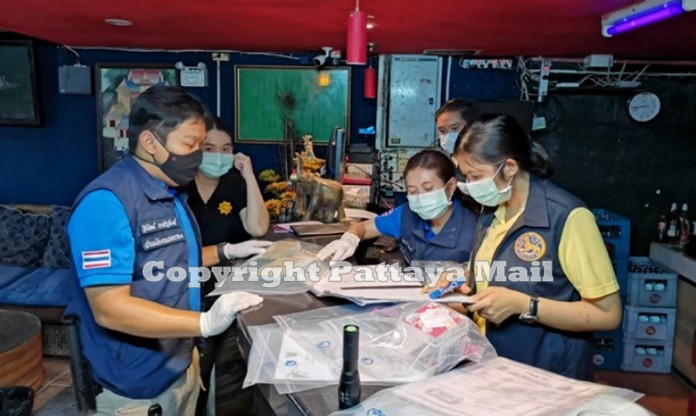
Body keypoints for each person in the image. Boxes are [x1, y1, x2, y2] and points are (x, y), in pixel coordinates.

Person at [65, 86, 264, 415]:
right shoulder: (106, 203)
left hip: (181, 364)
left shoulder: (171, 194)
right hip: (134, 387)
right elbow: (109, 308)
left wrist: (229, 250)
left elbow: (179, 260)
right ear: (149, 143)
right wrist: (204, 322)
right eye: (189, 145)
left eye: (200, 146)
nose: (198, 156)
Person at [449, 114, 621, 380]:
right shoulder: (492, 212)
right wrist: (460, 293)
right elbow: (496, 283)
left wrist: (525, 305)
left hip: (548, 373)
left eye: (476, 176)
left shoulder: (566, 217)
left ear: (509, 167)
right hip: (495, 366)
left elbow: (607, 314)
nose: (471, 186)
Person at [184, 115, 271, 415]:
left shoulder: (235, 184)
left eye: (226, 149)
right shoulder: (179, 186)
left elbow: (258, 227)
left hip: (226, 286)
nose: (218, 156)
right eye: (209, 148)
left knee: (224, 369)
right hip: (184, 285)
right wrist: (228, 249)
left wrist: (249, 176)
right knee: (192, 365)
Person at [317, 150, 478, 265]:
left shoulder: (475, 229)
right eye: (412, 191)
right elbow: (363, 228)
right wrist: (349, 239)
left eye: (428, 189)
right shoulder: (407, 214)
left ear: (450, 187)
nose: (420, 197)